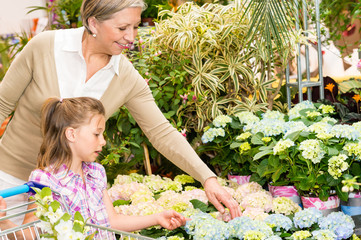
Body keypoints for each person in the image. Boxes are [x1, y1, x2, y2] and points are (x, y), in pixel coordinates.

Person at [0, 0, 240, 222]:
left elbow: (161, 132)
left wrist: (207, 178)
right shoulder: (45, 47)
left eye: (135, 27)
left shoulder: (125, 76)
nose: (131, 37)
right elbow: (2, 105)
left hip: (65, 195)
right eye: (123, 28)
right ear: (93, 23)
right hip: (8, 180)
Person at [0, 97, 187, 239]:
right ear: (71, 134)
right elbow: (30, 232)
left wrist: (157, 218)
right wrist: (4, 221)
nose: (103, 141)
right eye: (97, 134)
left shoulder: (96, 173)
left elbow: (112, 221)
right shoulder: (45, 179)